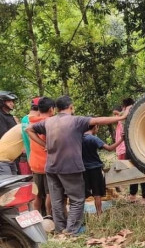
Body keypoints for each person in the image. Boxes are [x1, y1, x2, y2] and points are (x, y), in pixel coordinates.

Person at [26, 96, 129, 235]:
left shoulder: (49, 122)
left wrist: (45, 145)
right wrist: (121, 118)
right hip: (69, 167)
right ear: (71, 107)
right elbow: (98, 120)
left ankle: (59, 228)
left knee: (57, 199)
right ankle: (72, 230)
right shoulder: (76, 120)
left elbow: (29, 129)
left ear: (55, 109)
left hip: (51, 167)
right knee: (77, 199)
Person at [82, 124, 123, 215]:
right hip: (95, 169)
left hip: (83, 169)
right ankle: (99, 214)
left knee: (83, 194)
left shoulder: (79, 138)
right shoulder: (93, 138)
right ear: (95, 126)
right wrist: (121, 139)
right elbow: (109, 148)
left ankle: (82, 214)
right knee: (97, 194)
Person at [114, 98, 145, 204]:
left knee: (132, 171)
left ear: (124, 105)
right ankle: (144, 197)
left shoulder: (126, 111)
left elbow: (118, 115)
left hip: (130, 145)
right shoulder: (139, 109)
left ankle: (133, 195)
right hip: (141, 146)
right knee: (144, 170)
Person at [28, 97, 56, 217]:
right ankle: (49, 216)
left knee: (37, 194)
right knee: (50, 193)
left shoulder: (31, 121)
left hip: (34, 163)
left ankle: (36, 216)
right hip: (47, 163)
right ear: (51, 109)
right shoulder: (50, 122)